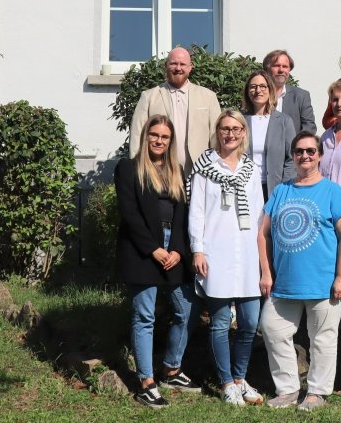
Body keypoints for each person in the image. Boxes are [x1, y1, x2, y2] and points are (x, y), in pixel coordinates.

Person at [257, 131, 341, 412]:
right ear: (293, 155)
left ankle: (317, 392)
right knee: (272, 329)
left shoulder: (332, 191)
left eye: (311, 151)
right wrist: (266, 272)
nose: (305, 156)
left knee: (322, 338)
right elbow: (263, 234)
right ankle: (288, 389)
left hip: (323, 281)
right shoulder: (281, 191)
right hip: (284, 282)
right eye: (299, 151)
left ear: (320, 155)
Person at [114, 114, 203, 409]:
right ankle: (146, 383)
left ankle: (171, 369)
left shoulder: (175, 170)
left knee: (187, 308)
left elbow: (181, 214)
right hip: (142, 250)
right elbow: (129, 213)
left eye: (165, 137)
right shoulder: (128, 168)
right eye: (154, 135)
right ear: (145, 136)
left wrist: (177, 249)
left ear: (170, 141)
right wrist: (153, 248)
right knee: (145, 316)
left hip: (171, 249)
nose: (159, 140)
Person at [188, 110, 265, 406]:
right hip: (216, 253)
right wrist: (198, 249)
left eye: (236, 129)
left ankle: (240, 378)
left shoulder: (251, 169)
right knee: (220, 322)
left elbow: (259, 215)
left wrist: (263, 258)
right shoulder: (205, 167)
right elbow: (196, 211)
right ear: (217, 132)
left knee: (249, 322)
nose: (230, 134)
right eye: (225, 128)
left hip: (247, 255)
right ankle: (226, 383)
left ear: (243, 133)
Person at [130, 46, 221, 176]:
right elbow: (137, 134)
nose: (178, 68)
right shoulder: (149, 97)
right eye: (173, 63)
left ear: (190, 67)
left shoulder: (208, 97)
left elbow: (216, 135)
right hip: (159, 171)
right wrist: (136, 169)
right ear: (166, 65)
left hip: (200, 171)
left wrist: (218, 168)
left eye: (183, 64)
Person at [240, 69, 297, 199]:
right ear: (247, 91)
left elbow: (292, 158)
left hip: (275, 189)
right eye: (253, 87)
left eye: (262, 86)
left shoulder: (284, 121)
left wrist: (285, 188)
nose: (258, 90)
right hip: (245, 188)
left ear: (270, 89)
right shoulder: (240, 120)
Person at [262, 49, 317, 133]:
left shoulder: (301, 96)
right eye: (276, 66)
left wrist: (297, 141)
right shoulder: (258, 95)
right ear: (267, 69)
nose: (281, 70)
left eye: (285, 66)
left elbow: (309, 127)